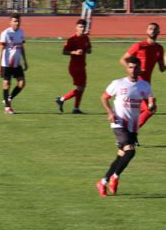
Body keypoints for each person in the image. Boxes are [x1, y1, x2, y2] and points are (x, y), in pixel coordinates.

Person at [96, 57, 153, 197]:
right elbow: (104, 97)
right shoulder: (118, 83)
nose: (133, 70)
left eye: (135, 67)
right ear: (126, 68)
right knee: (131, 151)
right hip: (119, 122)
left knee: (121, 155)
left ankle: (103, 182)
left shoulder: (144, 85)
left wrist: (152, 104)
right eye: (130, 67)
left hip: (133, 126)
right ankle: (115, 177)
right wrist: (110, 112)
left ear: (140, 69)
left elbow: (150, 99)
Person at [119, 22, 165, 129]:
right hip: (136, 83)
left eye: (154, 29)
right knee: (150, 108)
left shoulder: (159, 48)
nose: (152, 30)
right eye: (150, 28)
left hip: (146, 84)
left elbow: (162, 69)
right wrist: (133, 71)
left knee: (148, 109)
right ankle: (130, 133)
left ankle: (129, 132)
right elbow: (123, 59)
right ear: (146, 31)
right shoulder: (139, 46)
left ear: (158, 32)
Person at [56, 19, 92, 114]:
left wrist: (87, 50)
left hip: (82, 66)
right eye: (80, 27)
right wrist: (74, 52)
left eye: (84, 27)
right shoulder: (71, 39)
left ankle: (75, 108)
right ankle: (62, 99)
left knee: (82, 87)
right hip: (74, 67)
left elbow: (89, 50)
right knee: (81, 88)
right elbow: (64, 52)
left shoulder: (86, 38)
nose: (82, 28)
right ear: (76, 27)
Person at [0, 13, 28, 114]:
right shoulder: (5, 33)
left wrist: (25, 61)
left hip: (17, 63)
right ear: (10, 22)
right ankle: (7, 107)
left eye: (18, 21)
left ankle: (9, 98)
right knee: (6, 84)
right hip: (6, 64)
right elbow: (1, 50)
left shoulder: (21, 32)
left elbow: (22, 47)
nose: (17, 23)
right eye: (15, 21)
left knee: (22, 83)